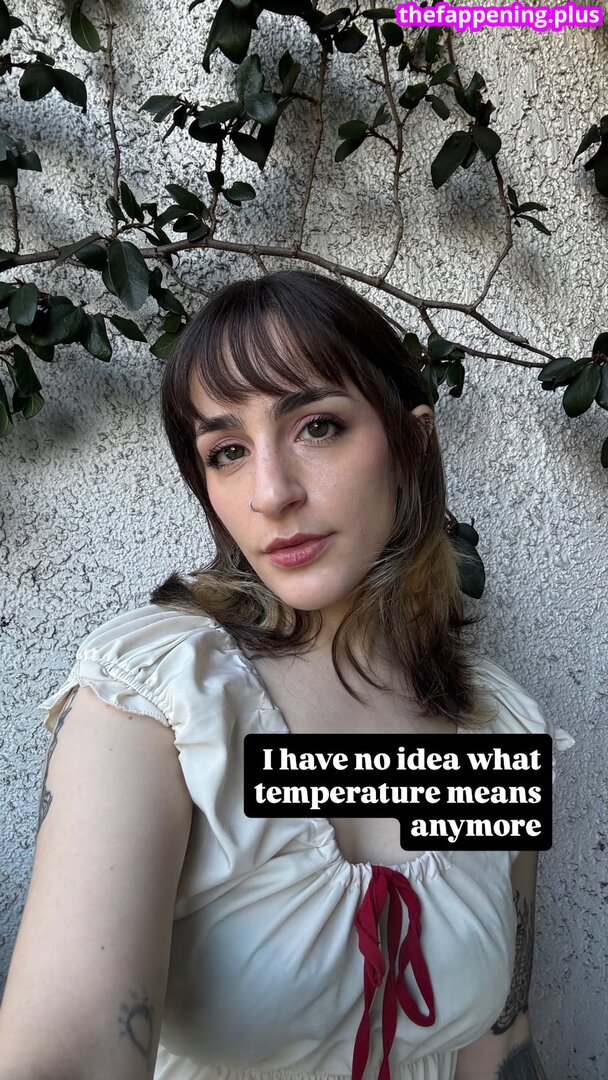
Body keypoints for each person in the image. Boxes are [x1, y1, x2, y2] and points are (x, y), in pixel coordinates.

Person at [0, 269, 573, 1080]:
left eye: (318, 427)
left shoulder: (498, 729)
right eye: (228, 451)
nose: (271, 493)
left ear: (411, 444)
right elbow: (70, 1051)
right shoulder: (159, 696)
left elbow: (500, 1043)